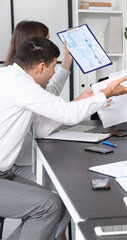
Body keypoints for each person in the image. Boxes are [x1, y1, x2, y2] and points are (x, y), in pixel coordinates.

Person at [0, 36, 127, 239]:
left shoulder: (12, 78)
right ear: (41, 67)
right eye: (54, 67)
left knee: (62, 203)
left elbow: (42, 129)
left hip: (5, 174)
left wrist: (83, 98)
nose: (54, 73)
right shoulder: (21, 85)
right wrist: (104, 94)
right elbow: (69, 114)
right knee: (48, 206)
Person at [4, 20, 75, 184]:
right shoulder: (20, 82)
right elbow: (48, 105)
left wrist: (66, 63)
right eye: (47, 39)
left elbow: (48, 94)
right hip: (20, 162)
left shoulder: (16, 72)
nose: (49, 44)